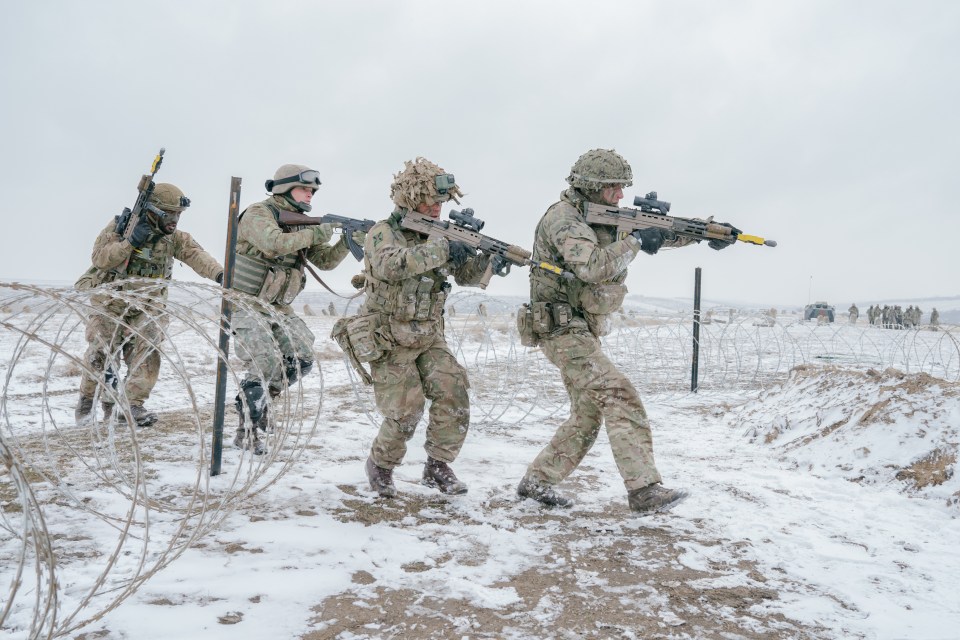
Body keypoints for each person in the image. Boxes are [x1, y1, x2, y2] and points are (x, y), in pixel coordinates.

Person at [516, 148, 736, 514]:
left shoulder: (604, 216)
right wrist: (636, 242)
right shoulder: (564, 220)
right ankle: (644, 490)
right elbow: (592, 266)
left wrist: (705, 233)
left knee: (587, 414)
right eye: (613, 188)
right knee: (619, 395)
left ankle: (537, 482)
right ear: (591, 186)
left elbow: (659, 234)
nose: (620, 195)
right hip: (559, 329)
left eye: (622, 187)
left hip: (581, 328)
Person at [353, 157, 493, 498]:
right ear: (409, 199)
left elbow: (468, 278)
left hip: (428, 333)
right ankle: (381, 466)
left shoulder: (439, 234)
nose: (435, 209)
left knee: (453, 391)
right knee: (405, 410)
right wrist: (444, 246)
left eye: (440, 203)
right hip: (389, 333)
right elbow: (391, 265)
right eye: (428, 202)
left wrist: (484, 258)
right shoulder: (383, 232)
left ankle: (437, 466)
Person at [230, 164, 360, 454]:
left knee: (301, 357)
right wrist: (318, 233)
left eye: (313, 191)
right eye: (305, 188)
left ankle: (259, 401)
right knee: (264, 361)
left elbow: (324, 261)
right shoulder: (258, 213)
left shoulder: (301, 223)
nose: (310, 195)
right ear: (284, 188)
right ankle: (246, 428)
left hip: (278, 305)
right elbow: (273, 243)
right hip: (246, 302)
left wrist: (347, 242)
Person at [74, 183, 223, 426]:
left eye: (178, 214)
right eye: (169, 213)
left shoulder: (174, 238)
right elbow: (100, 259)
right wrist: (129, 242)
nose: (175, 219)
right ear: (153, 211)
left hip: (148, 306)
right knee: (101, 352)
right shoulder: (121, 228)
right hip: (111, 302)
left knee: (149, 348)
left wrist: (220, 275)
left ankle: (132, 405)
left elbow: (197, 255)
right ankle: (87, 399)